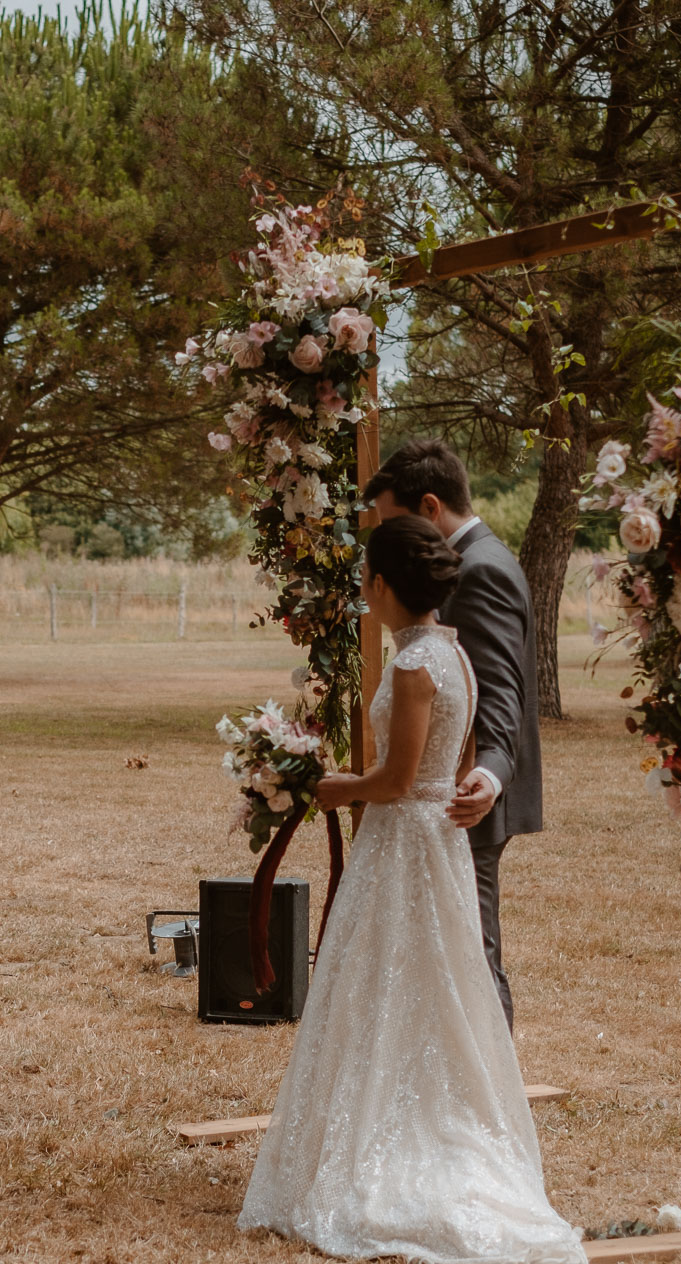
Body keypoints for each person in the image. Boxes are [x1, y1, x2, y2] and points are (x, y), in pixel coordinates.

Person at [239, 515, 583, 1263]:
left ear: (384, 584)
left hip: (403, 841)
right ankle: (416, 1113)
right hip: (440, 843)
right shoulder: (454, 656)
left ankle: (380, 1142)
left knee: (381, 983)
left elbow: (396, 781)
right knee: (433, 985)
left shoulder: (412, 667)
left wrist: (324, 788)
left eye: (369, 580)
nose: (367, 591)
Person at [366, 439, 540, 1031]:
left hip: (462, 794)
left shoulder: (482, 567)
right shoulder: (470, 562)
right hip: (439, 792)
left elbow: (502, 690)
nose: (391, 543)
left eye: (396, 522)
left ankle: (495, 1104)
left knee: (471, 954)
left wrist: (488, 776)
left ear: (431, 506)